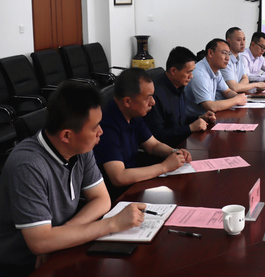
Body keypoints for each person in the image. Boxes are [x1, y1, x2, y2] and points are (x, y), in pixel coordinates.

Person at [0, 82, 146, 276]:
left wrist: (61, 235)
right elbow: (39, 242)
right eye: (94, 127)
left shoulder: (81, 148)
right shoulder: (28, 166)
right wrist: (113, 223)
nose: (101, 132)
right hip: (27, 266)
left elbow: (102, 199)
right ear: (66, 136)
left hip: (62, 249)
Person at [93, 68, 192, 198]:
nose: (153, 102)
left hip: (136, 183)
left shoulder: (133, 113)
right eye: (148, 98)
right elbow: (119, 177)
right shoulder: (106, 125)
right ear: (127, 101)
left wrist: (174, 153)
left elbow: (153, 145)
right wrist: (164, 167)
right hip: (117, 196)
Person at [143, 46, 216, 147]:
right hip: (167, 150)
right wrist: (190, 128)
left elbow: (179, 119)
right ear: (173, 71)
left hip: (182, 145)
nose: (191, 76)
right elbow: (158, 136)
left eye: (192, 71)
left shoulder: (179, 85)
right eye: (188, 72)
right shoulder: (154, 95)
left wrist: (200, 118)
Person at [184, 38, 247, 114]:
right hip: (195, 119)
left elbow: (227, 91)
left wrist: (238, 97)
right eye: (224, 53)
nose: (227, 58)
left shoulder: (216, 70)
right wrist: (236, 100)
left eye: (229, 54)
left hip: (208, 116)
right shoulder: (199, 73)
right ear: (210, 53)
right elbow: (210, 106)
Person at [221, 27, 265, 94]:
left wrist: (239, 87)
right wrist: (257, 85)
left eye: (244, 39)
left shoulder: (240, 56)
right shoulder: (225, 60)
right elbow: (234, 88)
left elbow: (245, 78)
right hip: (226, 98)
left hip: (237, 95)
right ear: (229, 41)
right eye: (239, 40)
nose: (242, 43)